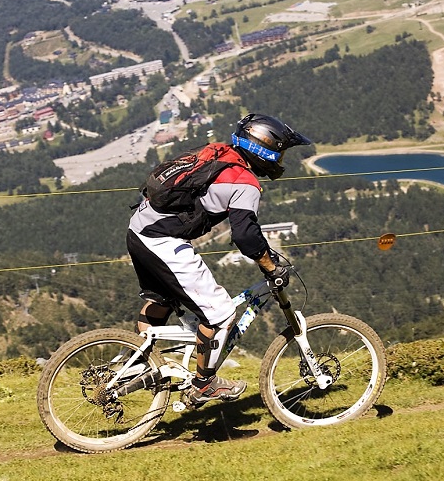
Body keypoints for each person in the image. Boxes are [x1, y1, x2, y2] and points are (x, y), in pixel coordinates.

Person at [126, 113, 311, 407]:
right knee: (221, 313)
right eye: (280, 151)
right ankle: (204, 384)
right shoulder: (245, 181)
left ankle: (136, 365)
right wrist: (270, 266)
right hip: (161, 240)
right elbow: (246, 236)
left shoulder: (219, 152)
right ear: (264, 149)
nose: (280, 159)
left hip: (139, 229)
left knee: (162, 302)